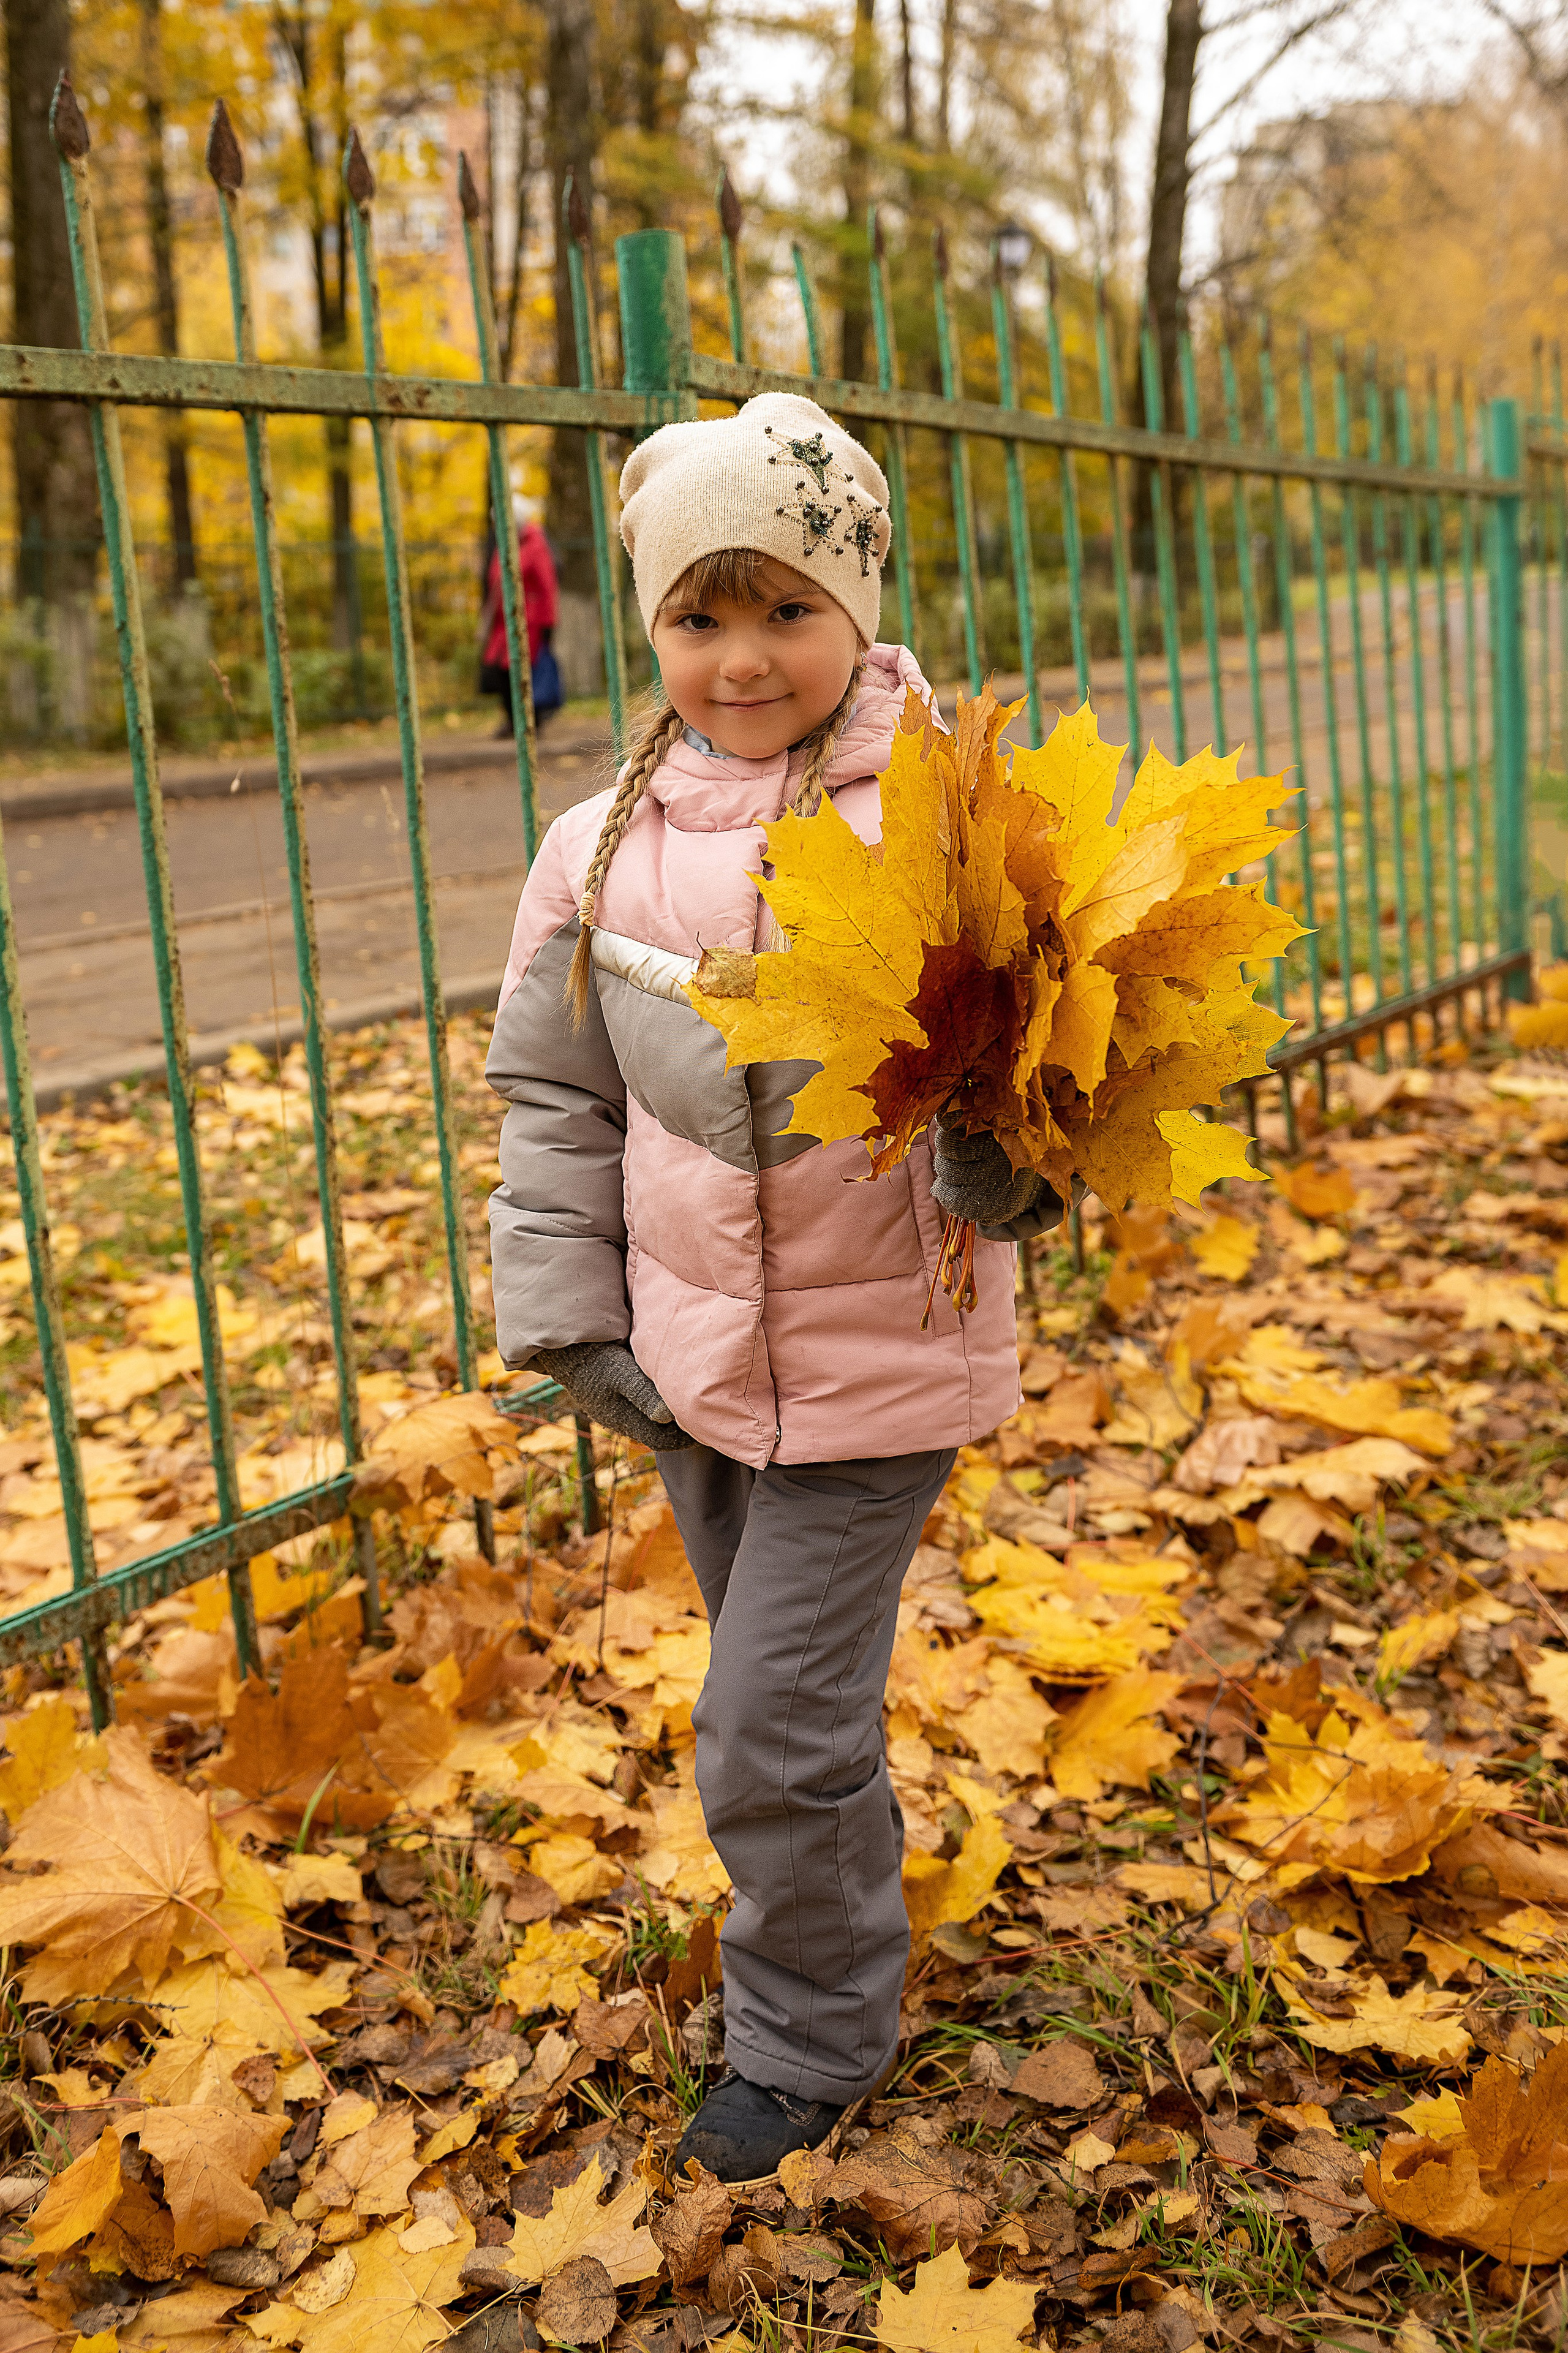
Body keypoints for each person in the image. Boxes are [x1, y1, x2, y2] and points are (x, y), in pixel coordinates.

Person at [484, 395, 1066, 2185]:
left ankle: (808, 2036)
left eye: (785, 608)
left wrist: (1005, 1162)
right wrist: (567, 1307)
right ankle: (836, 1911)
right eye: (698, 614)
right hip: (692, 1357)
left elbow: (1050, 1069)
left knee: (763, 1722)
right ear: (652, 628)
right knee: (789, 1709)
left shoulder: (943, 817)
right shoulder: (599, 845)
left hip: (879, 1359)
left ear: (856, 605)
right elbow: (557, 1094)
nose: (741, 656)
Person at [479, 493, 560, 737]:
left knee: (524, 669)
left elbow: (547, 585)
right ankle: (513, 718)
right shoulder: (504, 545)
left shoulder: (535, 544)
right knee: (501, 669)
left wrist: (548, 623)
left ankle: (532, 720)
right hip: (503, 621)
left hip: (530, 621)